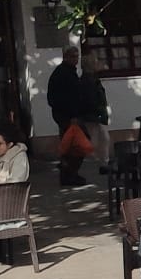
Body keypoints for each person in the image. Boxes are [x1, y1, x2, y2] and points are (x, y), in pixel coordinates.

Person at [47, 46, 109, 185]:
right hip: (67, 116)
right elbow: (63, 98)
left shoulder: (69, 72)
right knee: (74, 146)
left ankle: (70, 173)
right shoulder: (63, 73)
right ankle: (69, 174)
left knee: (72, 144)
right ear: (66, 57)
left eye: (77, 56)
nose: (75, 59)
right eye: (72, 57)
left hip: (68, 115)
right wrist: (71, 115)